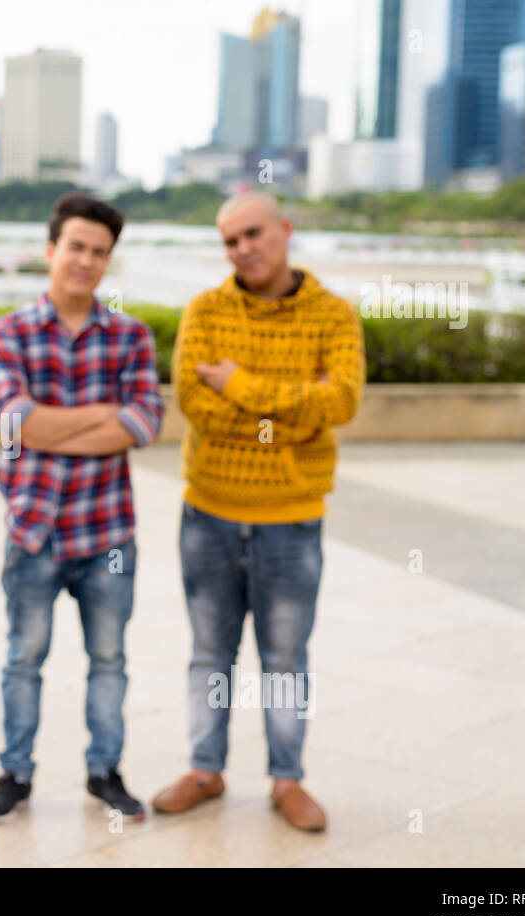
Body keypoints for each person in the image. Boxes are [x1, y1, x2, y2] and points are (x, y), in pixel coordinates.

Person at [151, 191, 364, 832]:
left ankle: (287, 779)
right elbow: (196, 402)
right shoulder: (206, 310)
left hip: (292, 520)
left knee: (284, 659)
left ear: (285, 230)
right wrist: (288, 407)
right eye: (230, 240)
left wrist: (240, 385)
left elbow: (341, 402)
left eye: (253, 234)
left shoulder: (334, 315)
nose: (243, 248)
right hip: (208, 513)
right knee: (210, 653)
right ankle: (205, 768)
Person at [0, 193, 164, 823]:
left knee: (109, 661)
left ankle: (105, 772)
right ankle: (16, 774)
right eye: (76, 247)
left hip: (108, 535)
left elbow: (143, 422)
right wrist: (98, 418)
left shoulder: (132, 336)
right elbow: (12, 419)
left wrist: (49, 426)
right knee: (23, 659)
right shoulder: (10, 331)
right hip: (32, 531)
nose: (86, 261)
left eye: (100, 252)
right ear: (52, 250)